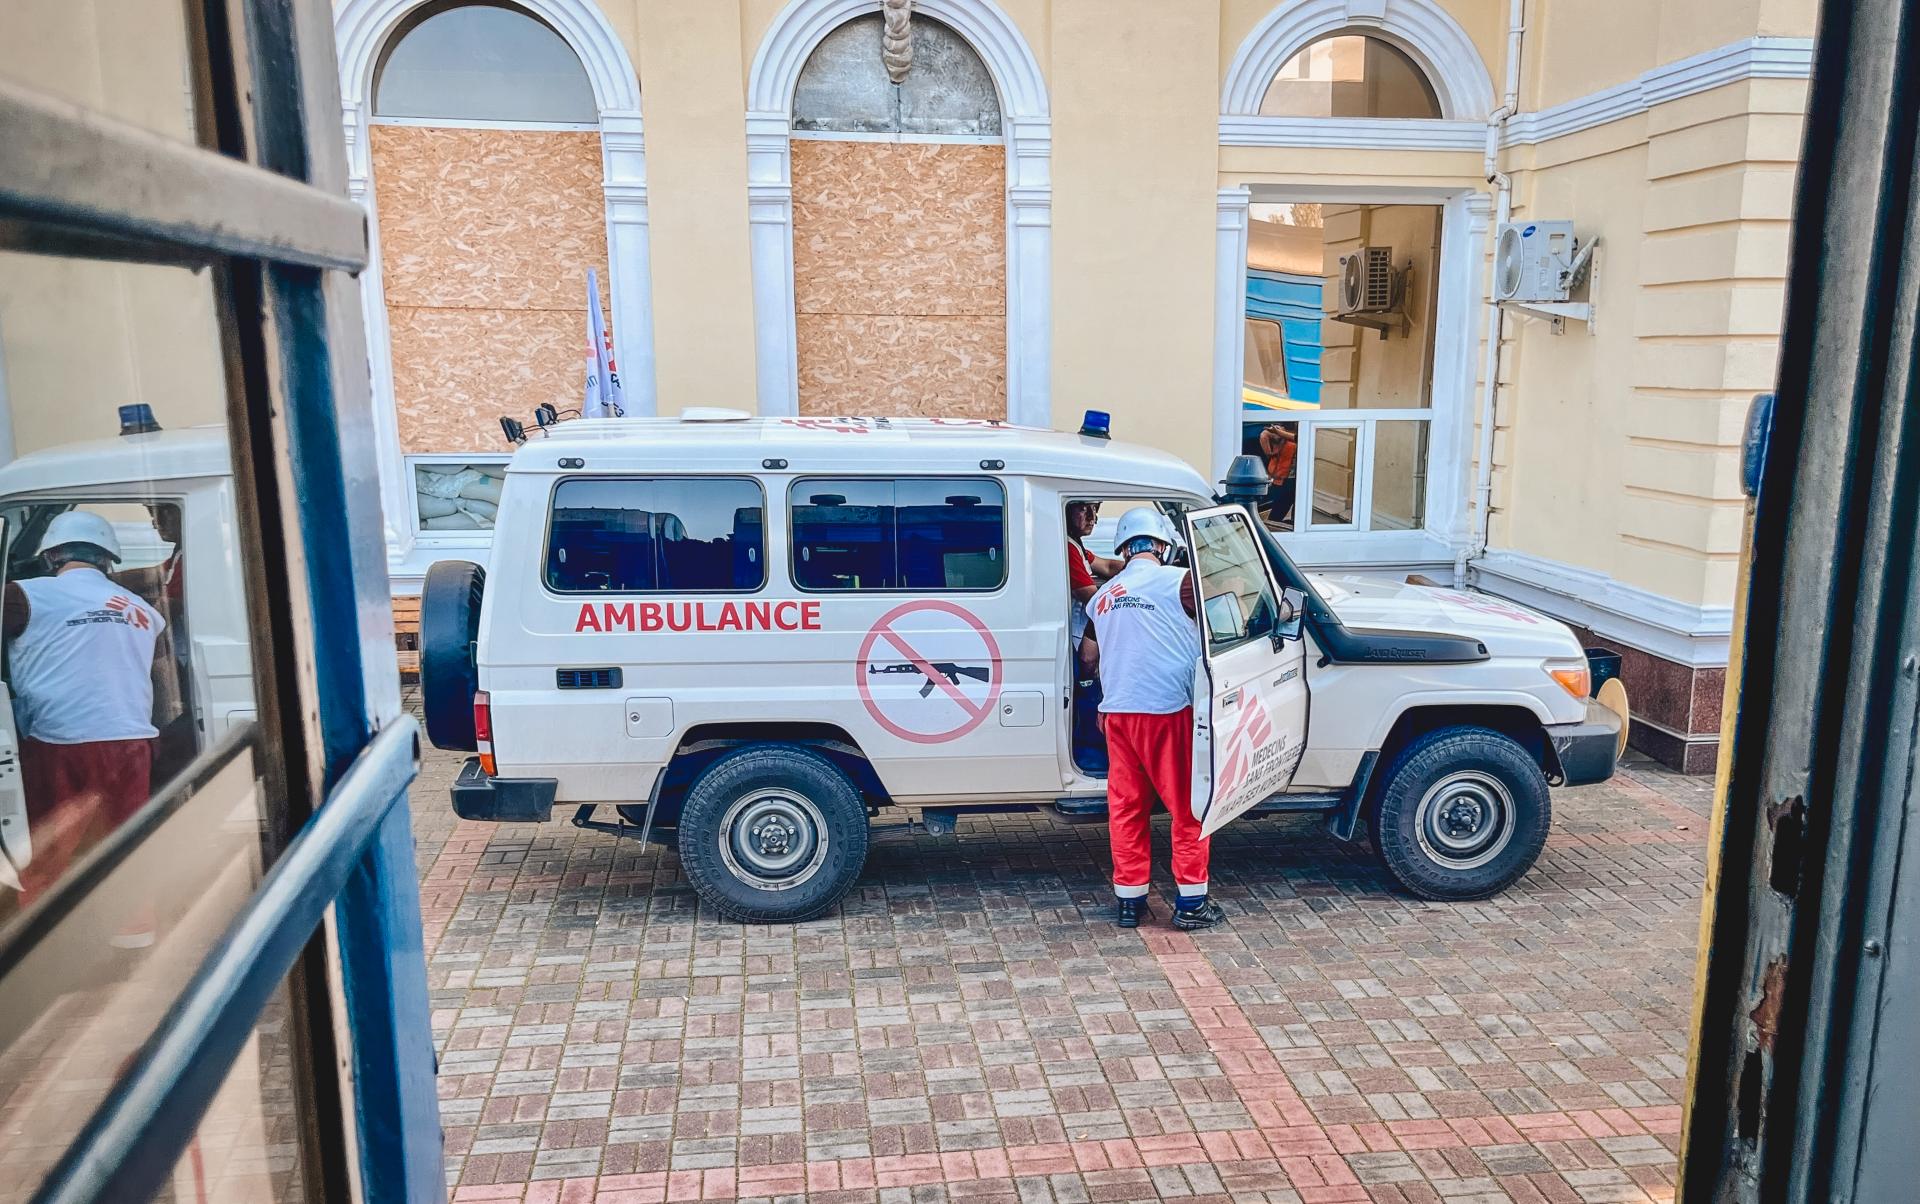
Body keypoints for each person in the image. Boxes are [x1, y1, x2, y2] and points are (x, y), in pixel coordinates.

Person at [4, 511, 166, 916]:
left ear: (50, 556)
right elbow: (156, 677)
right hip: (132, 741)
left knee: (49, 850)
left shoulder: (23, 595)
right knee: (126, 845)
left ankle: (43, 942)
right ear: (108, 560)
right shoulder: (143, 611)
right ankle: (135, 935)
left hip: (60, 740)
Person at [1078, 508, 1224, 931]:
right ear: (1162, 546)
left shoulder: (1103, 598)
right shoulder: (1179, 582)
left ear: (1124, 550)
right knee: (1187, 806)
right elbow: (1228, 611)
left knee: (1126, 808)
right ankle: (1192, 903)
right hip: (1167, 712)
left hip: (1117, 716)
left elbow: (1088, 659)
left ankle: (1130, 901)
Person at [1066, 502, 1121, 770]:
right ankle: (1091, 756)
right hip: (1076, 636)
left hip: (1079, 631)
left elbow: (1108, 567)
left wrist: (1139, 565)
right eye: (1084, 509)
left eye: (1095, 509)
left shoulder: (1075, 545)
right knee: (1089, 689)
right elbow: (1094, 598)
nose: (1093, 517)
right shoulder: (1065, 547)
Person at [1258, 424, 1298, 524]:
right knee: (1277, 513)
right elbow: (1264, 435)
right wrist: (1269, 453)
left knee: (1291, 512)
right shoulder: (1283, 432)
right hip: (1285, 480)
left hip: (1291, 479)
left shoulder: (1290, 435)